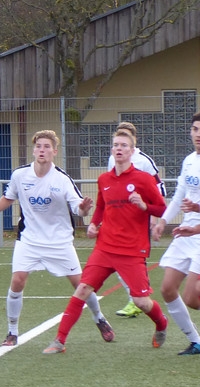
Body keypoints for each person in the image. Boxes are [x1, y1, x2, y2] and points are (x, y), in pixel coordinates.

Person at [0, 130, 112, 346]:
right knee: (17, 280)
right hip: (29, 240)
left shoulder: (62, 179)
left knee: (81, 284)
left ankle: (99, 318)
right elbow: (8, 197)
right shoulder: (20, 175)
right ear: (33, 150)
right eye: (38, 146)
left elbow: (78, 207)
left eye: (47, 147)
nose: (42, 150)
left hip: (59, 241)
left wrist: (84, 209)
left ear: (54, 152)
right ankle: (12, 331)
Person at [43, 128, 168, 354]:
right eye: (116, 145)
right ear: (112, 150)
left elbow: (161, 208)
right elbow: (101, 206)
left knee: (141, 301)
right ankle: (59, 340)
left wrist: (144, 206)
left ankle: (161, 323)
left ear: (132, 151)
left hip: (131, 250)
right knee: (83, 289)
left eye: (124, 145)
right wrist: (93, 224)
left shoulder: (143, 179)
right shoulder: (104, 179)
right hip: (105, 247)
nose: (119, 148)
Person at [151, 112, 200, 354]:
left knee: (192, 297)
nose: (198, 134)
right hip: (187, 231)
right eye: (195, 129)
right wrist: (163, 221)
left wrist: (197, 210)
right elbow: (180, 194)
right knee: (168, 288)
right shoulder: (189, 161)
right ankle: (196, 341)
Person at [107, 121, 166, 318]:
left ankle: (140, 297)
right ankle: (135, 298)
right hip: (117, 221)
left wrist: (153, 216)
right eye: (118, 139)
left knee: (135, 260)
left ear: (134, 141)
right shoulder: (112, 158)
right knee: (115, 261)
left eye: (126, 138)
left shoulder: (144, 161)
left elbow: (159, 188)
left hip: (138, 220)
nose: (120, 146)